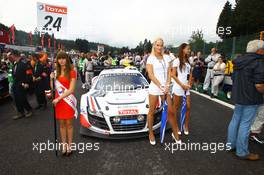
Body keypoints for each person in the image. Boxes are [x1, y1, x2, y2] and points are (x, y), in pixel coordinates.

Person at [227, 40, 264, 161]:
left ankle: (230, 145)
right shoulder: (258, 62)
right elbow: (259, 85)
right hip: (251, 98)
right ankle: (242, 152)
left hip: (239, 96)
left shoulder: (238, 61)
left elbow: (233, 78)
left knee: (235, 120)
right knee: (245, 124)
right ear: (258, 50)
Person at [146, 38, 181, 145]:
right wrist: (160, 85)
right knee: (152, 111)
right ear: (154, 46)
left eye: (161, 45)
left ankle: (175, 134)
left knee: (171, 111)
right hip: (155, 87)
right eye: (157, 45)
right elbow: (151, 75)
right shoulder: (150, 58)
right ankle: (150, 133)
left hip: (165, 88)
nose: (159, 47)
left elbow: (169, 73)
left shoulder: (167, 58)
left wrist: (166, 85)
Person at [50, 51, 77, 156]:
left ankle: (70, 146)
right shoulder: (55, 73)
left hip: (67, 101)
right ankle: (64, 146)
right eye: (59, 58)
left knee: (69, 125)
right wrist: (51, 78)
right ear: (57, 60)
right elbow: (53, 89)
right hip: (59, 102)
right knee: (61, 125)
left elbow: (71, 90)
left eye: (63, 58)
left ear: (66, 59)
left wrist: (59, 98)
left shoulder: (72, 72)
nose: (61, 60)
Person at [171, 43, 192, 136]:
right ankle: (175, 127)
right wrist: (181, 85)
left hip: (186, 88)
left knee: (188, 106)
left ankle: (185, 125)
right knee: (176, 107)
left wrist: (189, 84)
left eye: (189, 49)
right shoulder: (176, 61)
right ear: (183, 49)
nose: (189, 50)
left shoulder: (188, 61)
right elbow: (173, 75)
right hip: (178, 87)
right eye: (188, 49)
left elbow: (190, 74)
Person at [12, 50, 33, 120]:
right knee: (17, 99)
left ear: (15, 56)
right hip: (16, 84)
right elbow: (14, 74)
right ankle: (21, 112)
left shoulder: (24, 63)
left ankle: (29, 110)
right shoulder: (15, 64)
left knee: (22, 98)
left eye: (12, 55)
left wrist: (27, 83)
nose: (11, 57)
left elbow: (29, 74)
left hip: (22, 84)